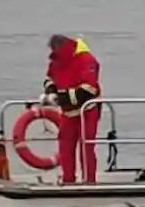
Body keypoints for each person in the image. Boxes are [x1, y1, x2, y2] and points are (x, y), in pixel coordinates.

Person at [43, 34, 103, 183]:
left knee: (86, 147)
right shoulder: (57, 60)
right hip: (68, 111)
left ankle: (89, 181)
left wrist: (61, 98)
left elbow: (88, 90)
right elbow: (50, 79)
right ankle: (68, 179)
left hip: (87, 110)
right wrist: (51, 91)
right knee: (65, 146)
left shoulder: (86, 60)